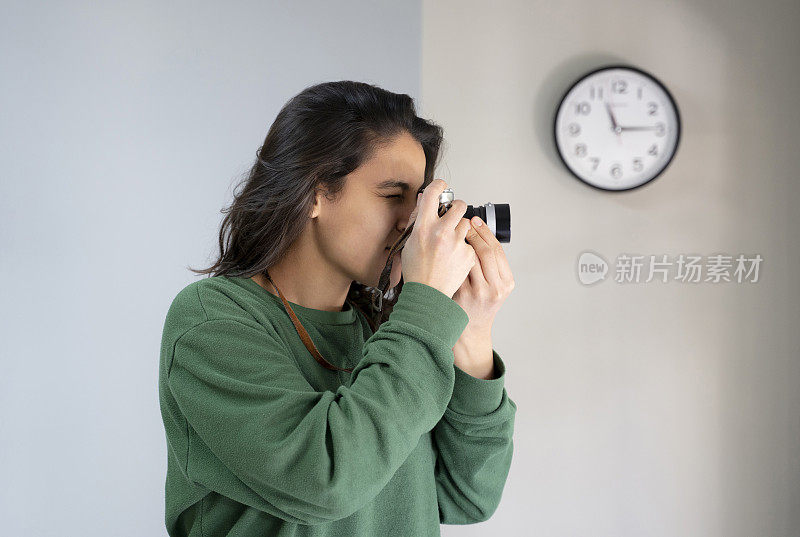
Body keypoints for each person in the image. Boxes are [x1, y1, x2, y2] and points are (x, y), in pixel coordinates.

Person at [158, 80, 517, 537]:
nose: (415, 225)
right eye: (393, 196)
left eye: (422, 202)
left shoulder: (389, 333)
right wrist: (425, 310)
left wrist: (473, 337)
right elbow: (324, 482)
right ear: (313, 194)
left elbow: (468, 495)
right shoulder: (213, 320)